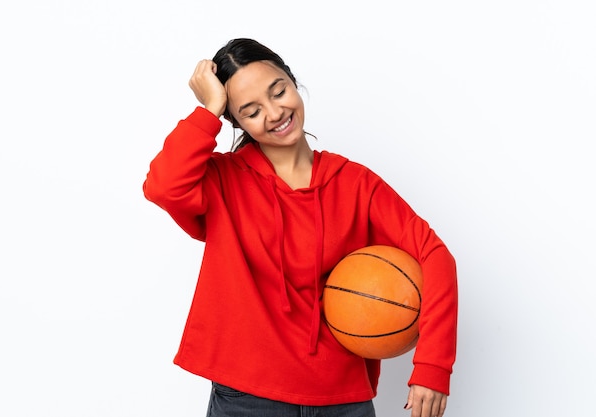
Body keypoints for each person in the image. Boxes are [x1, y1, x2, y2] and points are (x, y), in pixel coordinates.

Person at [143, 38, 458, 417]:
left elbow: (435, 254)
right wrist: (210, 108)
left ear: (293, 81)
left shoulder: (355, 183)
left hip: (343, 400)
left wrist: (432, 367)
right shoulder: (222, 181)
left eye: (279, 91)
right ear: (235, 120)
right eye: (251, 110)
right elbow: (162, 186)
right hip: (246, 398)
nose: (275, 113)